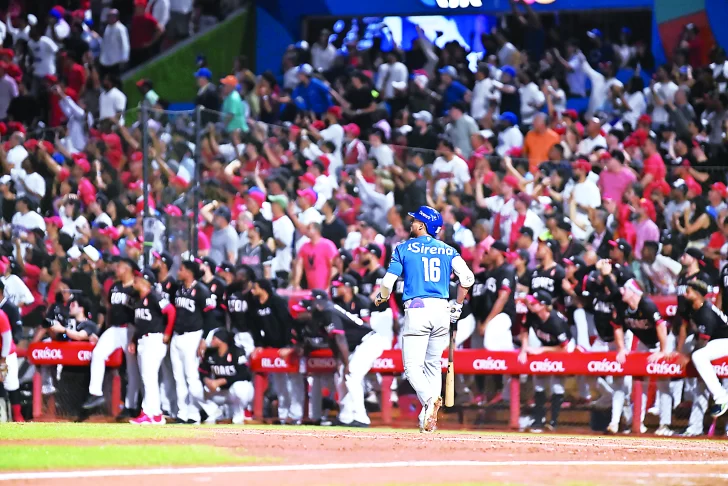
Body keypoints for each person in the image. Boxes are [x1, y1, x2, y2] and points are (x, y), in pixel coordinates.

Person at [373, 205, 475, 432]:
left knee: (411, 368)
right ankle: (428, 419)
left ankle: (430, 399)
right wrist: (457, 305)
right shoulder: (448, 250)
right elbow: (467, 278)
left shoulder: (403, 248)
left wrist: (381, 297)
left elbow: (388, 284)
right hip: (442, 309)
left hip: (417, 309)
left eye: (415, 221)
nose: (411, 224)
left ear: (422, 225)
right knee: (432, 365)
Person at [306, 289, 389, 427]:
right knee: (339, 378)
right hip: (356, 346)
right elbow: (332, 340)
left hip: (368, 341)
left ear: (318, 302)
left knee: (351, 376)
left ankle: (361, 417)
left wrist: (346, 364)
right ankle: (346, 417)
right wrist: (339, 362)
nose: (310, 304)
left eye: (312, 301)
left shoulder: (329, 311)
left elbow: (340, 338)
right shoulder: (323, 313)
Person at [609, 277, 672, 435]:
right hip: (645, 343)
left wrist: (663, 351)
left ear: (634, 292)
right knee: (639, 381)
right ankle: (638, 422)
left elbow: (661, 326)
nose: (622, 292)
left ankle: (665, 424)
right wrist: (622, 348)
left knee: (663, 383)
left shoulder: (647, 305)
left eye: (625, 289)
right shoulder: (623, 307)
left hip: (662, 342)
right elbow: (617, 327)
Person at [82, 257, 140, 418]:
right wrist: (101, 332)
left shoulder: (136, 288)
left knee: (132, 370)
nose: (117, 268)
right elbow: (108, 310)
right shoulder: (115, 286)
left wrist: (136, 336)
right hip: (114, 329)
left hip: (130, 329)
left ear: (128, 269)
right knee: (98, 353)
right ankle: (95, 393)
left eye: (120, 266)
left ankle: (131, 405)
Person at [248, 279, 303, 425]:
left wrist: (289, 345)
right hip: (271, 347)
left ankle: (296, 415)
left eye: (255, 287)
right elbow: (254, 327)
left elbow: (287, 323)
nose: (252, 290)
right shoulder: (254, 304)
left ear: (263, 288)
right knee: (279, 383)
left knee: (294, 381)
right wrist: (259, 345)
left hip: (286, 346)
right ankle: (284, 415)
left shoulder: (277, 302)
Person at [518, 289, 573, 432]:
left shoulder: (555, 321)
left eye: (534, 303)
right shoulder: (532, 315)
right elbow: (524, 329)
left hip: (564, 348)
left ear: (543, 305)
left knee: (557, 384)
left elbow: (564, 348)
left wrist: (542, 350)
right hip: (547, 346)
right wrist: (524, 348)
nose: (530, 304)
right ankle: (538, 420)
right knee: (539, 380)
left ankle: (553, 422)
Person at [129, 268, 175, 425]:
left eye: (137, 279)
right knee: (148, 379)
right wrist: (134, 341)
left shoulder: (154, 296)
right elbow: (140, 324)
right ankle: (155, 414)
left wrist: (167, 333)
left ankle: (148, 413)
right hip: (143, 340)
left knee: (149, 378)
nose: (134, 281)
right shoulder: (139, 299)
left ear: (144, 282)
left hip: (154, 340)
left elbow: (171, 311)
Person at [170, 258, 214, 424]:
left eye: (181, 269)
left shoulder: (202, 290)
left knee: (191, 377)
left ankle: (196, 413)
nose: (178, 272)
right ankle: (182, 413)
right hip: (177, 336)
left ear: (189, 272)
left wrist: (204, 339)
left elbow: (210, 317)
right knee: (178, 377)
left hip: (193, 336)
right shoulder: (178, 289)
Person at [684, 280, 728, 420]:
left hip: (725, 340)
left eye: (688, 291)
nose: (685, 294)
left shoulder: (706, 312)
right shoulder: (695, 307)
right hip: (717, 341)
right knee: (689, 344)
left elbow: (703, 341)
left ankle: (721, 397)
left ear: (697, 294)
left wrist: (687, 357)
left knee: (698, 356)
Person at [198, 328, 254, 425]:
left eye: (214, 339)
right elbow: (202, 371)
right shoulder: (210, 353)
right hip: (219, 392)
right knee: (194, 387)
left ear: (222, 340)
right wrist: (207, 380)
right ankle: (214, 411)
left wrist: (221, 381)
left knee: (240, 387)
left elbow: (244, 374)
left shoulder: (236, 351)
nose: (211, 341)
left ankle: (239, 413)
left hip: (235, 392)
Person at [0, 307, 22, 421]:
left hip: (6, 354)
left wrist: (3, 361)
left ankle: (17, 417)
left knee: (11, 385)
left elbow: (7, 339)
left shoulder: (1, 315)